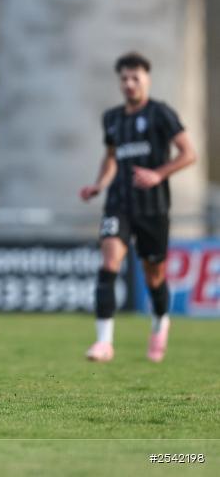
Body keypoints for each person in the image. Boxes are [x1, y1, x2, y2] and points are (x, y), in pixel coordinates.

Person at [79, 52, 196, 363]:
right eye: (124, 79)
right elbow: (111, 158)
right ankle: (104, 342)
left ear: (147, 79)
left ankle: (160, 322)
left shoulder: (161, 114)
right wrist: (99, 185)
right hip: (118, 203)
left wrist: (158, 174)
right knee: (108, 264)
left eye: (135, 78)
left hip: (153, 208)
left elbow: (188, 153)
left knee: (154, 276)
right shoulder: (112, 118)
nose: (129, 84)